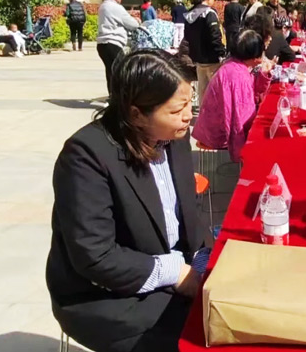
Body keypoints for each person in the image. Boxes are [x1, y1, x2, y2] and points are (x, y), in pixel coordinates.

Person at [47, 50, 207, 352]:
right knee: (194, 337)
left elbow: (189, 209)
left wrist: (203, 260)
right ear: (136, 114)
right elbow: (96, 256)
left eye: (189, 103)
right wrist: (176, 272)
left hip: (173, 267)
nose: (188, 115)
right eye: (176, 110)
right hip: (106, 294)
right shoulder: (86, 156)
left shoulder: (175, 135)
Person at [192, 30, 277, 162]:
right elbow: (239, 121)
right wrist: (243, 154)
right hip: (217, 134)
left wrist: (264, 74)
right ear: (255, 55)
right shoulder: (237, 76)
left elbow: (253, 94)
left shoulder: (235, 65)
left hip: (213, 128)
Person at [96, 0, 140, 95]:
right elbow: (133, 24)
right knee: (119, 72)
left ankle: (112, 96)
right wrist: (136, 20)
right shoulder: (115, 7)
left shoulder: (103, 5)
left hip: (102, 43)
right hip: (113, 43)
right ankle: (118, 98)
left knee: (110, 72)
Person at [183, 0, 226, 99]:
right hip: (213, 60)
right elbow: (215, 35)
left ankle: (203, 116)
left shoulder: (190, 14)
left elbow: (187, 37)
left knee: (203, 94)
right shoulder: (209, 13)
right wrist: (221, 53)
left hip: (198, 60)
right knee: (215, 94)